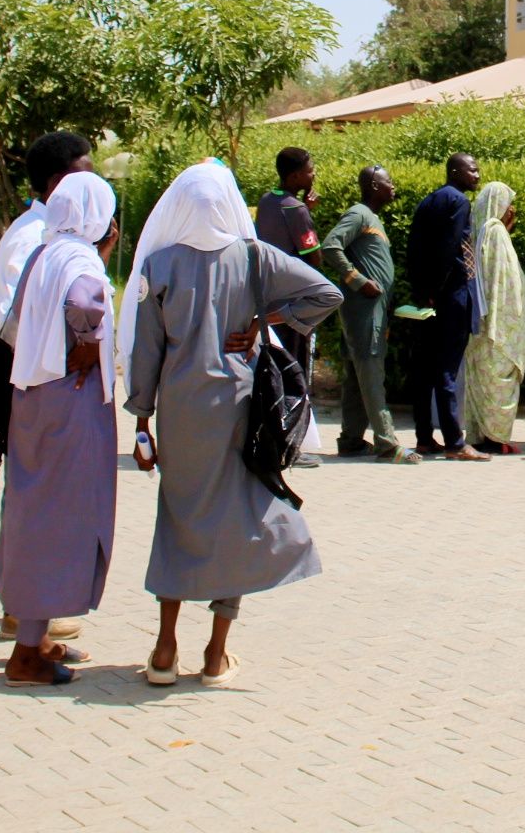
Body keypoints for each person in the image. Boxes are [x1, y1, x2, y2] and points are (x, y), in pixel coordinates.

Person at [123, 161, 343, 688]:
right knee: (239, 524)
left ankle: (163, 651)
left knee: (177, 522)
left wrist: (140, 425)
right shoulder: (252, 257)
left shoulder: (160, 264)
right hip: (238, 410)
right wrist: (266, 322)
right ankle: (217, 654)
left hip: (180, 414)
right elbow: (326, 294)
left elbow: (145, 354)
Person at [0, 172, 120, 688]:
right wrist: (86, 346)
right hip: (70, 400)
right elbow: (87, 306)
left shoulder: (45, 253)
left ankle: (33, 633)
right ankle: (27, 654)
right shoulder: (79, 259)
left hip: (31, 396)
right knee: (61, 518)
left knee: (31, 510)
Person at [0, 130, 95, 645]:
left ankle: (26, 608)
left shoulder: (55, 233)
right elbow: (16, 318)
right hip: (32, 386)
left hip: (36, 384)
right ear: (58, 183)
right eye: (85, 172)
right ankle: (24, 613)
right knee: (31, 503)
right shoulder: (35, 237)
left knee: (32, 500)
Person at [322, 165, 423, 464]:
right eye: (387, 181)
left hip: (371, 311)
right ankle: (387, 443)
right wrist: (357, 280)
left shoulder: (372, 219)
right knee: (371, 372)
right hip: (363, 311)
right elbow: (330, 246)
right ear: (373, 186)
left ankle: (351, 440)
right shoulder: (359, 214)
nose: (393, 185)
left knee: (356, 374)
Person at [407, 154, 488, 461]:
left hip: (428, 297)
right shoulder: (459, 203)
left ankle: (425, 438)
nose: (477, 175)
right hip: (451, 295)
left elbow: (414, 249)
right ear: (456, 172)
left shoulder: (429, 201)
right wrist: (436, 291)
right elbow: (449, 248)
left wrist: (421, 291)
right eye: (473, 169)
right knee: (446, 369)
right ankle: (455, 442)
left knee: (425, 368)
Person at [0, 131, 93, 339]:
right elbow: (12, 312)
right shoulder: (32, 236)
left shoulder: (52, 230)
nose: (94, 189)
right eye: (85, 182)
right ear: (57, 183)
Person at [257, 147, 324, 467]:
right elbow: (314, 257)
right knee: (294, 372)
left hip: (268, 300)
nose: (313, 174)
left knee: (273, 371)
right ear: (296, 175)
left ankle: (272, 438)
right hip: (294, 304)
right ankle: (291, 445)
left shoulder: (268, 202)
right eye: (310, 170)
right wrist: (308, 213)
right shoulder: (296, 210)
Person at [462, 179, 525, 454]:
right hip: (498, 323)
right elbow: (504, 282)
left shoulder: (481, 230)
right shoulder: (495, 231)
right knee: (499, 375)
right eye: (509, 203)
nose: (512, 209)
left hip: (480, 322)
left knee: (482, 378)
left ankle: (482, 434)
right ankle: (496, 438)